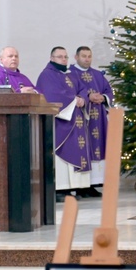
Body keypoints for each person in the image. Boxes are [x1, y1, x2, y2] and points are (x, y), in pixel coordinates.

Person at [36, 46, 91, 202]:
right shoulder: (47, 75)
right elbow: (52, 94)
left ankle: (74, 187)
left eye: (66, 57)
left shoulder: (71, 74)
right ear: (52, 58)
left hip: (77, 119)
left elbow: (83, 89)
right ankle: (60, 188)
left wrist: (82, 98)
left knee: (76, 149)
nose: (64, 60)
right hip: (61, 122)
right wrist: (75, 100)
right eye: (60, 57)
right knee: (62, 152)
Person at [72, 46, 114, 198]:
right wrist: (88, 96)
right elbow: (70, 92)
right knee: (84, 148)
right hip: (81, 118)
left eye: (89, 56)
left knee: (98, 146)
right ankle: (81, 185)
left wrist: (103, 98)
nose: (87, 59)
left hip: (99, 118)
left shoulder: (97, 74)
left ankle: (93, 184)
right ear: (76, 57)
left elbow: (109, 92)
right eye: (84, 56)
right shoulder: (70, 73)